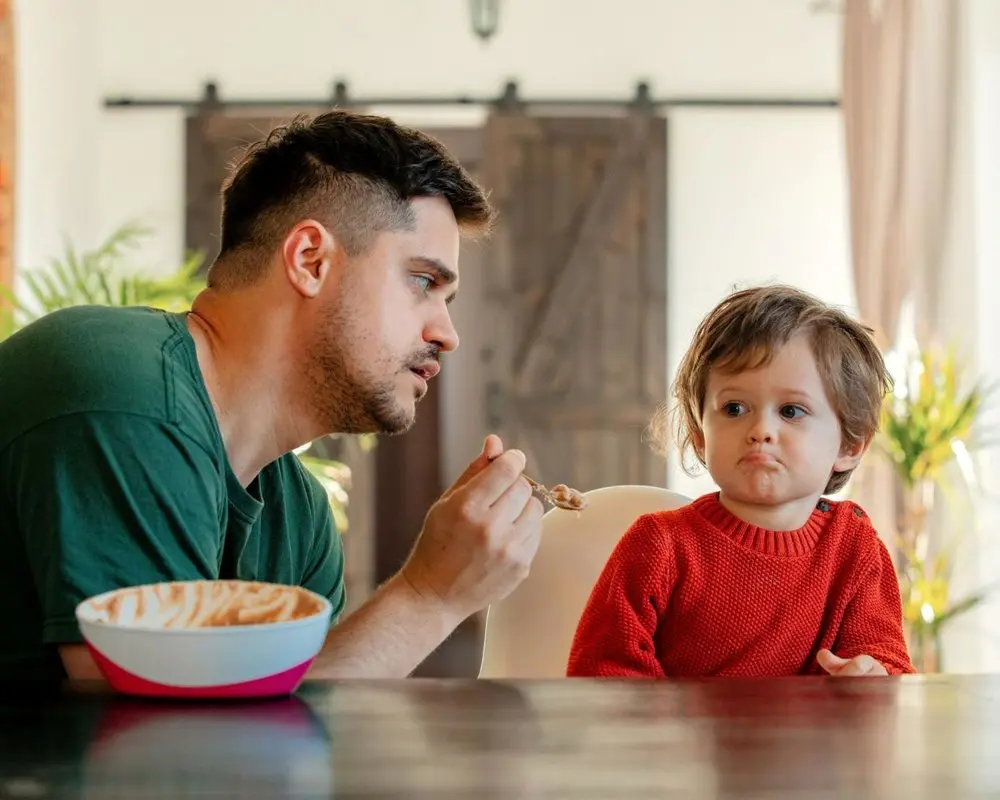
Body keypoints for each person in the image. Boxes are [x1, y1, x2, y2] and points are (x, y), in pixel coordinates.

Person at [0, 110, 544, 681]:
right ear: (311, 261)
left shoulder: (299, 519)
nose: (447, 334)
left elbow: (292, 717)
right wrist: (429, 595)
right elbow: (153, 724)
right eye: (423, 282)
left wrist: (434, 593)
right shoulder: (122, 393)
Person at [566, 284, 915, 678]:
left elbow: (887, 662)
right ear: (700, 435)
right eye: (734, 408)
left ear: (849, 445)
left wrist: (870, 675)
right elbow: (601, 674)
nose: (761, 430)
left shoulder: (854, 546)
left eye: (791, 411)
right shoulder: (658, 545)